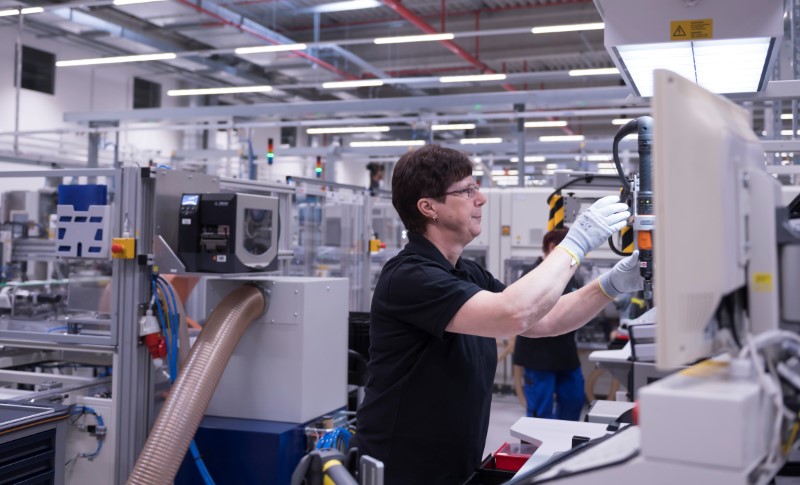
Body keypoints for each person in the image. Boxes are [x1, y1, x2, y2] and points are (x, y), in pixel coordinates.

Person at [355, 145, 642, 485]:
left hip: (455, 463)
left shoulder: (467, 273)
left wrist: (611, 284)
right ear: (428, 207)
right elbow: (514, 314)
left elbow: (544, 319)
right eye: (466, 190)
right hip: (402, 470)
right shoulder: (408, 276)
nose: (481, 199)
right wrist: (575, 243)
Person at [513, 228, 585, 421]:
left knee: (574, 400)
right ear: (553, 247)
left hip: (566, 354)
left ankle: (567, 448)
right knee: (540, 414)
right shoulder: (531, 276)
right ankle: (536, 451)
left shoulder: (570, 275)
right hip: (538, 356)